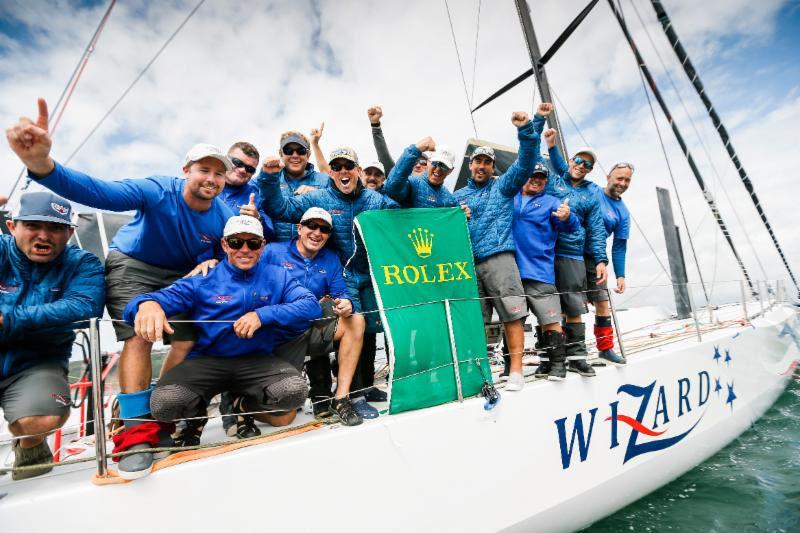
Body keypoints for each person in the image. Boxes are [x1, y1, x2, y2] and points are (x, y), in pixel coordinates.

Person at [5, 98, 236, 478]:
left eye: (218, 174)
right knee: (139, 337)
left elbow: (239, 254)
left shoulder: (224, 215)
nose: (211, 179)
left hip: (179, 276)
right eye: (203, 170)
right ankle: (136, 435)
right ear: (185, 171)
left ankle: (157, 407)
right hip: (134, 265)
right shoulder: (157, 190)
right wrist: (42, 166)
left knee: (190, 339)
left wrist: (216, 261)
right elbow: (100, 192)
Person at [123, 216, 319, 472]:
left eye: (253, 243)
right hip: (208, 361)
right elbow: (148, 301)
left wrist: (262, 315)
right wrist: (146, 305)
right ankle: (196, 416)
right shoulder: (204, 278)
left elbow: (310, 305)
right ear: (225, 245)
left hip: (257, 360)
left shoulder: (278, 276)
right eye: (237, 242)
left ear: (262, 246)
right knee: (164, 403)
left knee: (294, 391)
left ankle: (243, 405)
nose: (245, 249)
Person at [257, 147, 399, 418]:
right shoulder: (319, 198)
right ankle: (352, 396)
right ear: (330, 172)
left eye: (349, 166)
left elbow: (402, 216)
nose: (343, 171)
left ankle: (365, 388)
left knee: (370, 330)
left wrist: (450, 212)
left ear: (357, 170)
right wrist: (268, 178)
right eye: (337, 166)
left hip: (369, 274)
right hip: (339, 272)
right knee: (354, 321)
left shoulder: (374, 198)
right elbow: (279, 206)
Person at [0, 192, 104, 480]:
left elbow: (85, 305)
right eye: (33, 225)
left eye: (56, 228)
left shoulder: (83, 263)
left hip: (39, 362)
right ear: (12, 227)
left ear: (70, 232)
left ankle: (30, 445)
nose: (44, 236)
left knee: (41, 419)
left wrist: (8, 319)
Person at [454, 108, 543, 392]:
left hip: (500, 259)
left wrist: (525, 130)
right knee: (476, 323)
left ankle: (515, 371)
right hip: (469, 265)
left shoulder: (503, 187)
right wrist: (458, 217)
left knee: (513, 314)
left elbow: (526, 162)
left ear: (493, 167)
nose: (481, 166)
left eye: (487, 162)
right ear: (470, 165)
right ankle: (481, 376)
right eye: (477, 161)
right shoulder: (455, 197)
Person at [262, 207, 365, 425]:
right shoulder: (272, 252)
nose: (317, 232)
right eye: (312, 225)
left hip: (311, 332)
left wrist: (346, 303)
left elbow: (341, 293)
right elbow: (244, 275)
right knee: (283, 416)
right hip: (278, 337)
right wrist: (212, 263)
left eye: (324, 229)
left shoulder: (330, 259)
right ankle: (237, 411)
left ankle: (340, 398)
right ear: (299, 228)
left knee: (356, 319)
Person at [540, 126, 608, 378]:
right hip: (544, 252)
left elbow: (597, 228)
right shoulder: (554, 179)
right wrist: (550, 143)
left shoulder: (592, 192)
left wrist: (600, 259)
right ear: (570, 161)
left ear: (590, 170)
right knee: (546, 306)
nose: (581, 166)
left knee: (573, 305)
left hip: (572, 253)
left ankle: (577, 357)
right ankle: (548, 356)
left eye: (587, 164)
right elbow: (553, 162)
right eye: (578, 160)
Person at [512, 163, 579, 381]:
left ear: (546, 180)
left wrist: (567, 216)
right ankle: (539, 364)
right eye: (532, 174)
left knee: (549, 320)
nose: (536, 179)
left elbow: (572, 227)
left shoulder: (552, 202)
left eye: (541, 176)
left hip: (539, 270)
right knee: (514, 321)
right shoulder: (509, 196)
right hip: (511, 272)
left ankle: (558, 364)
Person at [585, 162, 633, 366]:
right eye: (619, 178)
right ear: (608, 177)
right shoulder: (590, 189)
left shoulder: (623, 212)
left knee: (603, 303)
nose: (622, 183)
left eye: (627, 180)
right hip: (569, 253)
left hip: (596, 260)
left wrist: (620, 275)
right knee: (567, 306)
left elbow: (619, 246)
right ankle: (569, 354)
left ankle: (605, 349)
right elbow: (564, 173)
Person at [260, 131, 330, 242]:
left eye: (300, 151)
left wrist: (317, 194)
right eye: (288, 151)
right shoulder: (268, 178)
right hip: (277, 252)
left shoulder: (325, 181)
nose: (295, 155)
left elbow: (340, 207)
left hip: (315, 253)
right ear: (280, 153)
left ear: (308, 155)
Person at [218, 141, 274, 241]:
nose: (243, 170)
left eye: (250, 169)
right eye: (238, 163)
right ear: (226, 159)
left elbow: (270, 236)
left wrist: (258, 219)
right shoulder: (205, 182)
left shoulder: (256, 197)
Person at [383, 137, 459, 208]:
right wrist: (415, 149)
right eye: (435, 163)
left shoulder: (450, 199)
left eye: (444, 166)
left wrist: (462, 214)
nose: (438, 169)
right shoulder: (413, 183)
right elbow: (392, 189)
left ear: (450, 170)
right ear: (429, 162)